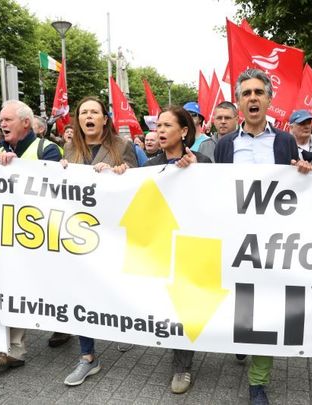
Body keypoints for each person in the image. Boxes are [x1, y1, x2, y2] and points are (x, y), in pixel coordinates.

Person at [214, 68, 311, 405]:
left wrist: (303, 174)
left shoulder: (285, 141)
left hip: (273, 241)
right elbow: (217, 191)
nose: (253, 98)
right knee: (241, 300)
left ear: (269, 100)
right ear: (239, 102)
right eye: (246, 93)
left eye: (259, 92)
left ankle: (258, 382)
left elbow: (297, 190)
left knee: (267, 305)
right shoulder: (225, 145)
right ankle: (243, 339)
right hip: (238, 240)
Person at [0, 100, 62, 369]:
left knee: (53, 288)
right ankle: (11, 350)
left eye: (7, 119)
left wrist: (20, 167)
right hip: (11, 237)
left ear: (26, 122)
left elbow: (58, 190)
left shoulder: (47, 149)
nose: (2, 124)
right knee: (13, 288)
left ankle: (63, 323)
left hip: (45, 235)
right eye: (1, 119)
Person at [61, 96, 138, 386]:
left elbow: (140, 183)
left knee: (115, 287)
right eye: (84, 113)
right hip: (81, 236)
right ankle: (87, 357)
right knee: (82, 292)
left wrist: (123, 172)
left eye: (95, 112)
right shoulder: (69, 148)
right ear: (78, 120)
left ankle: (125, 327)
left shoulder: (122, 147)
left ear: (105, 119)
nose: (89, 116)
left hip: (114, 234)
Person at [142, 106, 210, 394]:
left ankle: (182, 367)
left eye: (167, 125)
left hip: (192, 245)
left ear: (184, 131)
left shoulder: (204, 162)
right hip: (161, 244)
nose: (160, 130)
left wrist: (196, 173)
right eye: (158, 125)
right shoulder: (147, 166)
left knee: (185, 304)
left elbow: (214, 202)